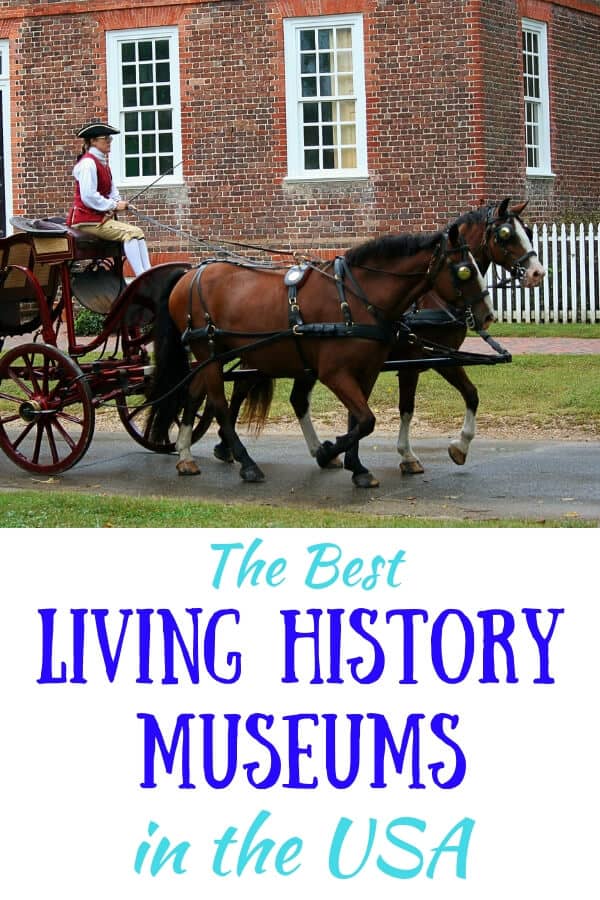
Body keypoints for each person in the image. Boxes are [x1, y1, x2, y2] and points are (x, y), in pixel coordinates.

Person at [67, 122, 152, 276]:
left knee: (138, 232)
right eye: (105, 138)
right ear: (93, 141)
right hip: (86, 221)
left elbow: (112, 190)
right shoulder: (88, 164)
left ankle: (148, 272)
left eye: (110, 138)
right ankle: (142, 277)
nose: (109, 141)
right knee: (131, 233)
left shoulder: (102, 163)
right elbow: (88, 196)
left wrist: (121, 203)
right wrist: (113, 205)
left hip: (98, 219)